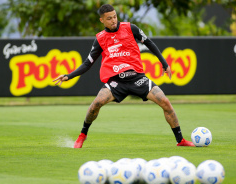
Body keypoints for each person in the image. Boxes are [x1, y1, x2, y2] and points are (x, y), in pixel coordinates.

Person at [53, 4, 195, 148]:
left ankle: (180, 140)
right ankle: (82, 135)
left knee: (165, 102)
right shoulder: (100, 39)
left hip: (137, 78)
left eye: (115, 17)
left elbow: (150, 43)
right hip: (116, 81)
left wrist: (165, 64)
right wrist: (68, 76)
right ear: (102, 20)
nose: (113, 20)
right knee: (96, 104)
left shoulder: (131, 28)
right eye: (109, 18)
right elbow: (87, 64)